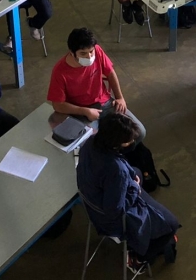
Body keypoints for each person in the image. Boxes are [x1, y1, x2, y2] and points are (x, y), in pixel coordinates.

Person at [76, 113, 179, 273]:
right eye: (128, 141)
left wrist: (130, 182)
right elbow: (114, 211)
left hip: (92, 200)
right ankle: (138, 259)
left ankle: (148, 232)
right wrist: (134, 189)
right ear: (115, 144)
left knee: (136, 172)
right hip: (110, 219)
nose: (132, 142)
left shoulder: (90, 142)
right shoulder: (116, 170)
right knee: (171, 225)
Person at [47, 28, 147, 141]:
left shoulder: (97, 51)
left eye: (91, 51)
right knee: (92, 142)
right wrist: (84, 111)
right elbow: (58, 105)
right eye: (83, 53)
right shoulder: (59, 72)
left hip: (105, 103)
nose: (89, 57)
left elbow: (110, 72)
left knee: (139, 132)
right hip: (81, 112)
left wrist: (120, 97)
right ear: (71, 52)